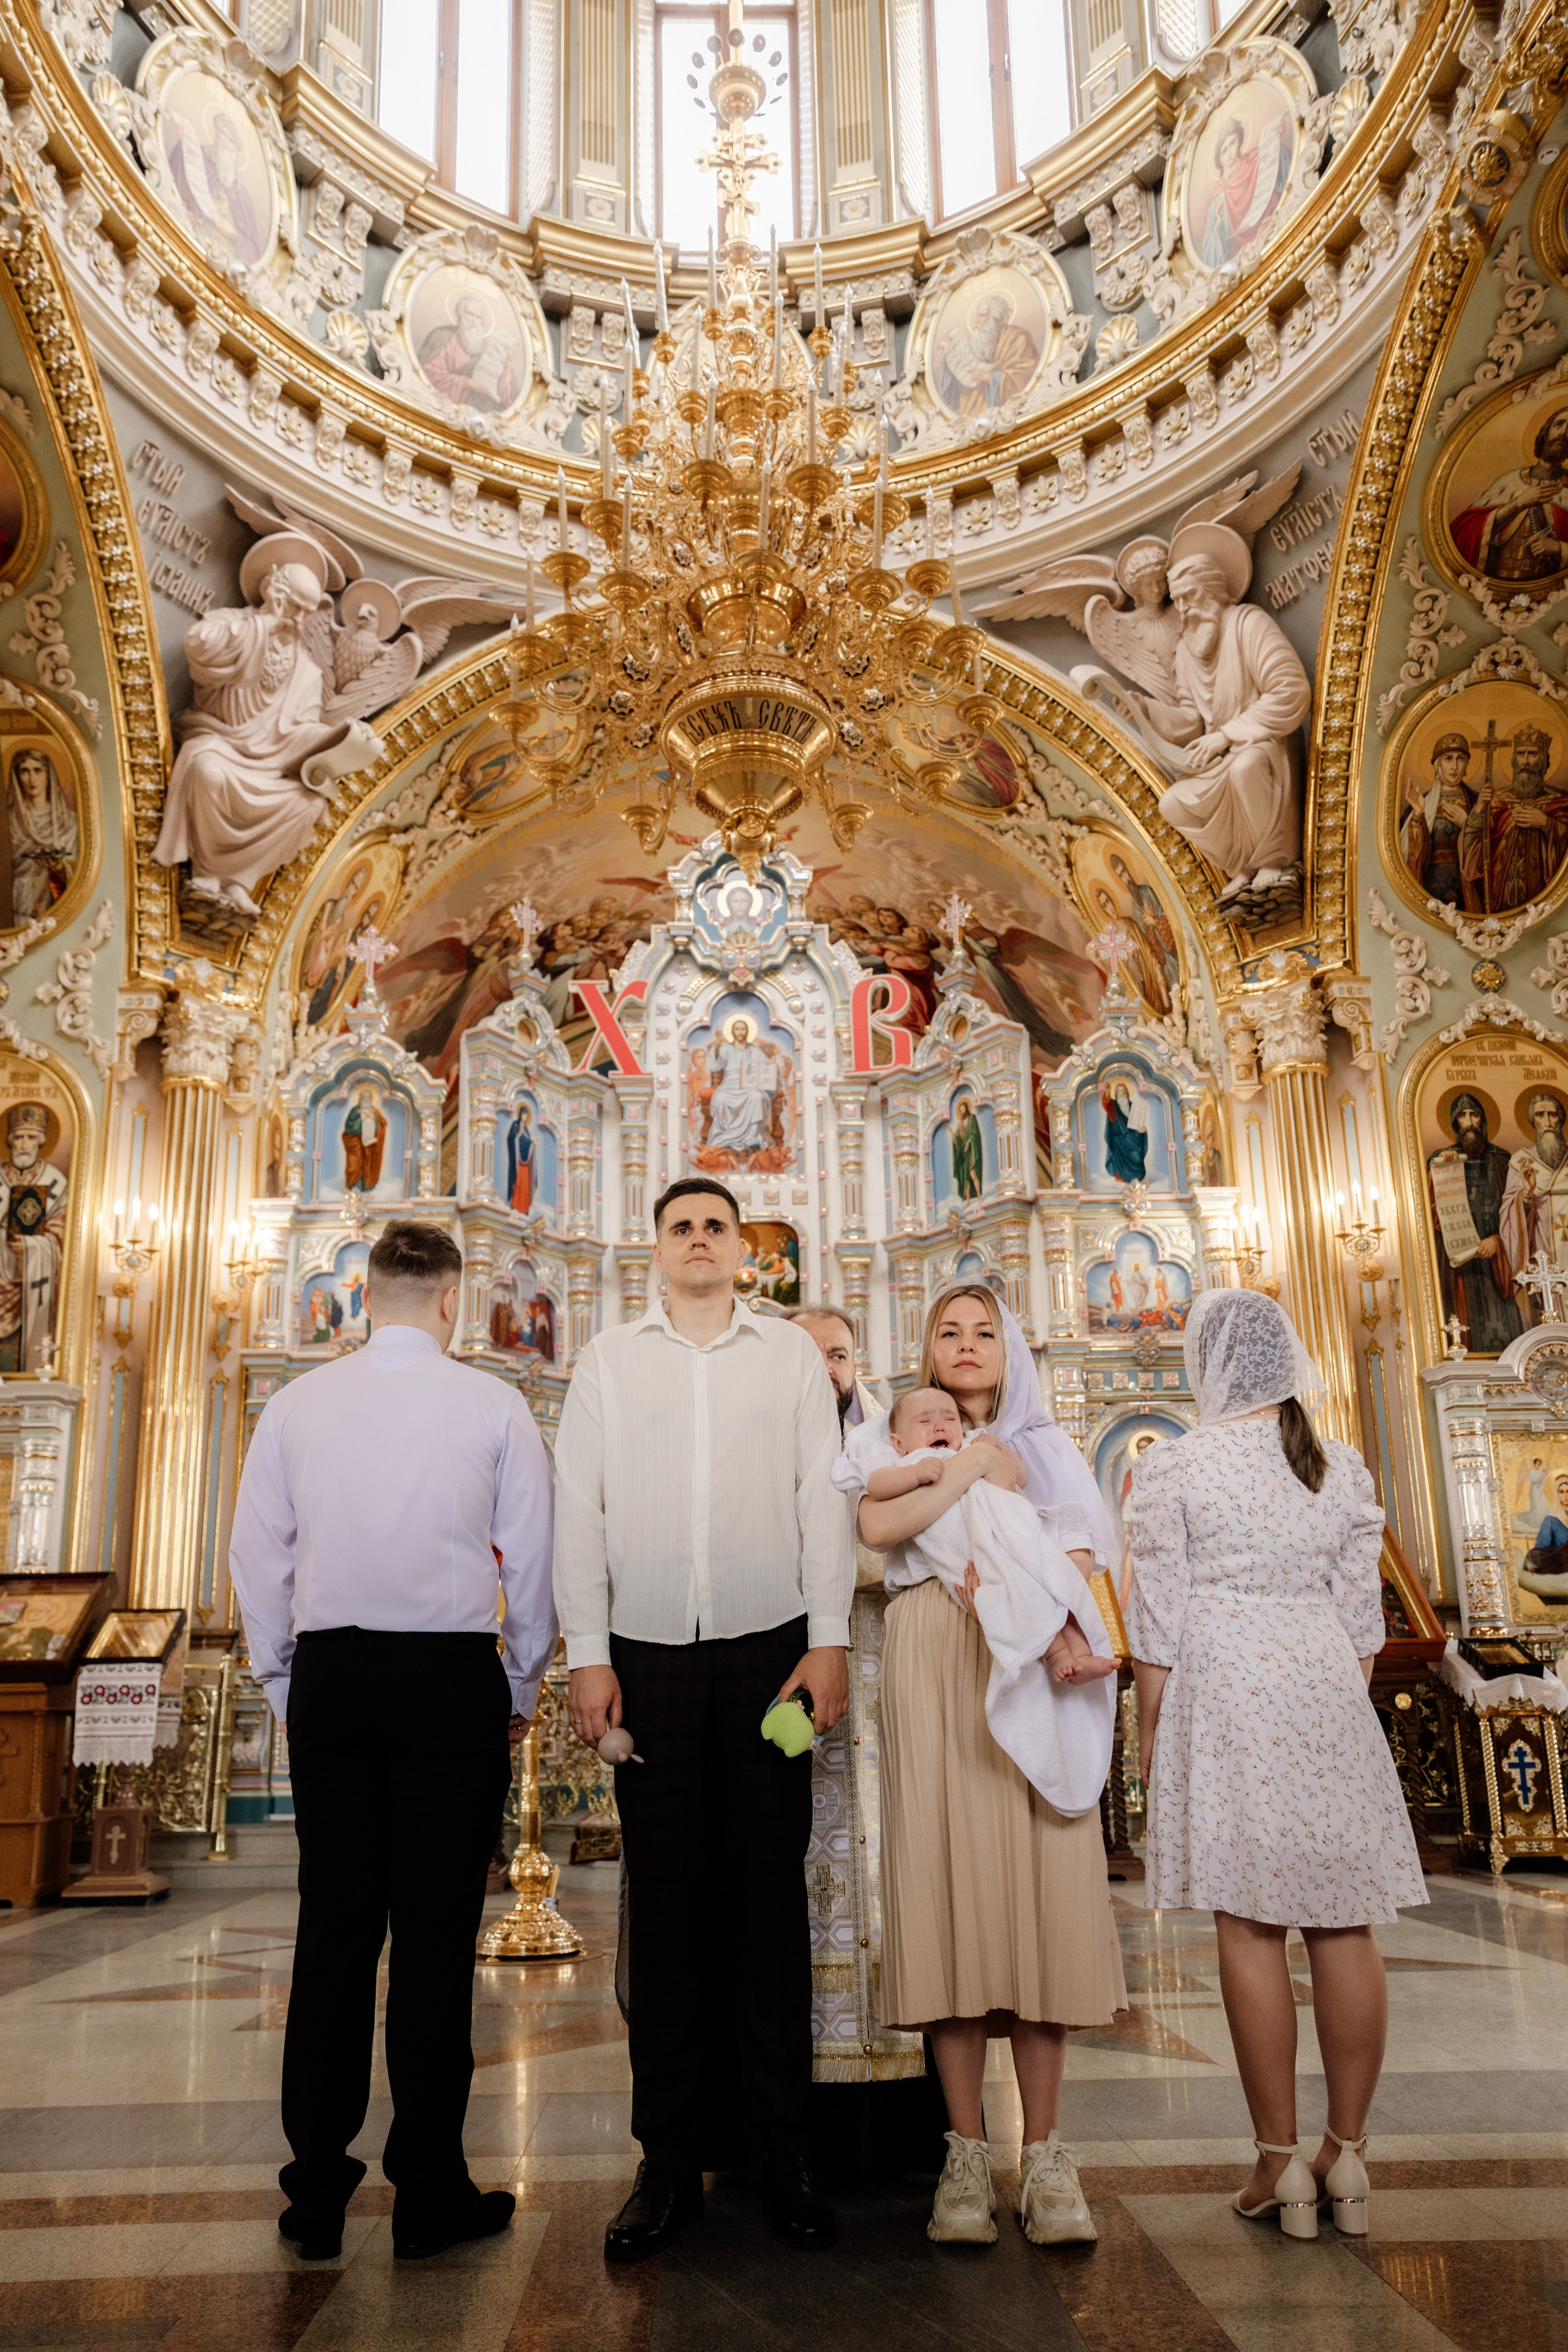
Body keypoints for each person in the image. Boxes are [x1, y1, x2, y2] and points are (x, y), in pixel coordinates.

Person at [227, 1219, 557, 2265]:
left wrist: (286, 1679)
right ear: (453, 1301)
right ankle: (429, 2194)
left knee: (332, 1932)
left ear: (365, 1295)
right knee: (431, 1940)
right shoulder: (494, 1403)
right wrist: (518, 1680)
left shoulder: (296, 1404)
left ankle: (315, 2195)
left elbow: (257, 1554)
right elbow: (533, 1563)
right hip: (449, 1679)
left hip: (332, 1671)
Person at [554, 1180, 853, 2261]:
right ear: (657, 1247)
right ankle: (668, 2161)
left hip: (772, 1649)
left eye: (715, 1228)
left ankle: (781, 2154)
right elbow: (575, 1508)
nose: (697, 1240)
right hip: (647, 1655)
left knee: (770, 1901)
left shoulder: (783, 1358)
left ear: (744, 1251)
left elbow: (825, 1497)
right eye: (680, 1226)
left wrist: (829, 1641)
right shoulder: (607, 1360)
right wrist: (589, 1654)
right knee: (670, 1910)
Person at [1127, 1287, 1425, 2242]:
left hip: (1224, 1689)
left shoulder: (1173, 1468)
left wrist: (1149, 1735)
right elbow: (1365, 1632)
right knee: (1345, 1926)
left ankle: (1278, 2165)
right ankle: (1349, 2155)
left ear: (1207, 1364)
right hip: (1326, 1689)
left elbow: (1157, 1633)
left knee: (1249, 1927)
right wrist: (1331, 1696)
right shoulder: (1339, 1467)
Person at [843, 1285, 1124, 2250]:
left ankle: (1045, 2156)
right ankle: (965, 2153)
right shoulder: (896, 1438)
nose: (965, 1347)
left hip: (1033, 1658)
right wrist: (961, 1480)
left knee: (1037, 1895)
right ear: (925, 1351)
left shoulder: (1044, 1446)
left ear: (1011, 1353)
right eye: (947, 1333)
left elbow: (1082, 1558)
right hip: (931, 1653)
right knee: (950, 1891)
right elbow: (874, 1536)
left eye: (984, 1333)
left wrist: (1024, 1577)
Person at [854, 1389, 1115, 1691]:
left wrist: (995, 1450)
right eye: (925, 1421)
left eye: (950, 1419)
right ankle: (1057, 1655)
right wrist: (913, 1474)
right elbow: (877, 1486)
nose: (940, 1426)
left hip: (1004, 1538)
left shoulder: (970, 1444)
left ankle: (1082, 1654)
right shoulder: (903, 1462)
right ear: (898, 1443)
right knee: (1018, 1597)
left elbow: (1021, 1478)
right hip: (968, 1557)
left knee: (1051, 1590)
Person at [1427, 1091, 1523, 1352]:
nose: (1469, 1122)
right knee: (1464, 1318)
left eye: (1474, 1115)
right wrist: (1441, 1173)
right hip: (1462, 1265)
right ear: (1454, 1123)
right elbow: (1433, 1217)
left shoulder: (1502, 1160)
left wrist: (1498, 1242)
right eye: (1462, 1115)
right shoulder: (1444, 1159)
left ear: (1483, 1120)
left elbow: (1518, 1213)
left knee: (1508, 1328)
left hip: (1498, 1259)